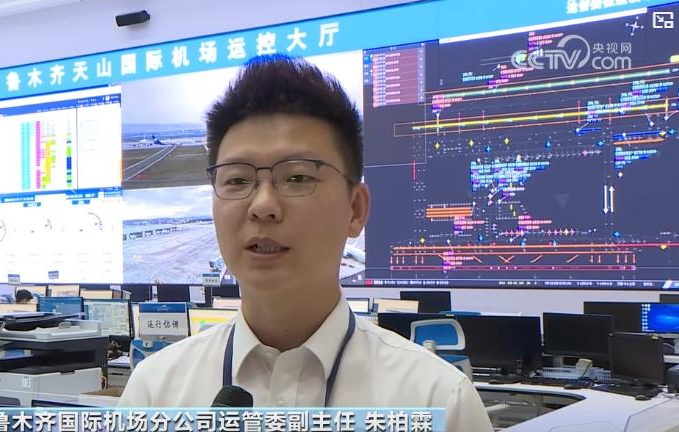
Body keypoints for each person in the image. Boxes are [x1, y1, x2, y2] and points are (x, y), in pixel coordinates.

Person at [118, 55, 492, 431]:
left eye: (297, 177)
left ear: (356, 209)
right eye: (237, 180)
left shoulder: (437, 400)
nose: (263, 205)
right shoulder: (155, 393)